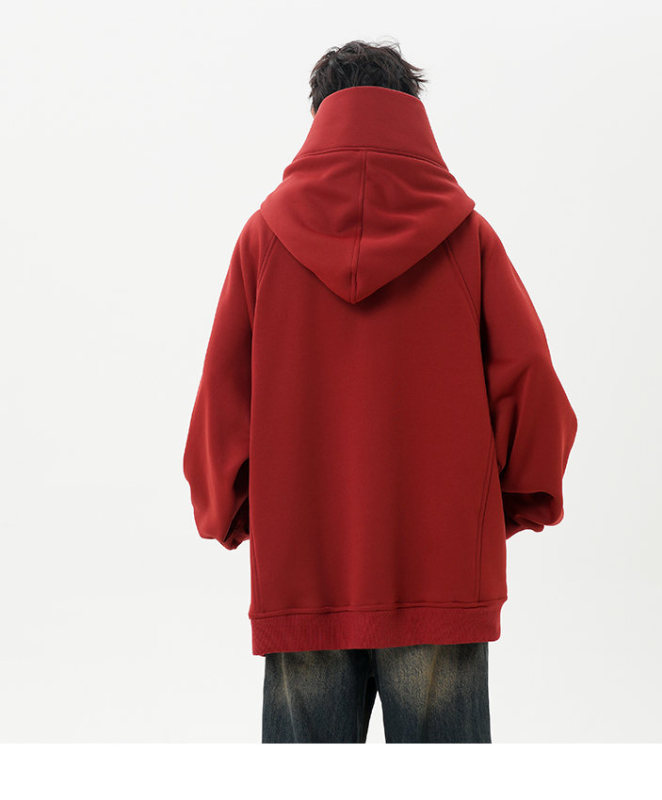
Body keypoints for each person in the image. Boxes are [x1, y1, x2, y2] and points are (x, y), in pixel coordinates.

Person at [182, 39, 578, 743]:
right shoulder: (468, 238)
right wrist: (509, 504)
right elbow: (531, 384)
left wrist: (234, 511)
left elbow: (220, 403)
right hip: (442, 573)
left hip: (303, 569)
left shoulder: (264, 240)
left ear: (320, 117)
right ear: (410, 115)